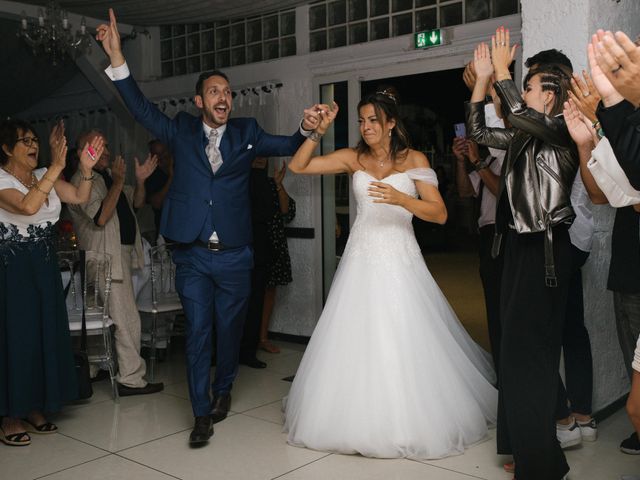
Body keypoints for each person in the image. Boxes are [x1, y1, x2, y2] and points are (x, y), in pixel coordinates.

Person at [96, 8, 318, 447]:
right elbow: (139, 106)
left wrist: (305, 128)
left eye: (228, 92)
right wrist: (118, 56)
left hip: (236, 254)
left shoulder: (248, 132)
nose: (223, 97)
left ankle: (223, 389)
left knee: (229, 332)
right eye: (214, 91)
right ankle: (201, 415)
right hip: (192, 253)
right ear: (199, 101)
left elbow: (290, 144)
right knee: (198, 332)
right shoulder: (178, 130)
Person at [284, 91, 497, 460]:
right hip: (361, 257)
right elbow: (298, 167)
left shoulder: (412, 159)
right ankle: (352, 414)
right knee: (356, 334)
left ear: (391, 124)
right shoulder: (354, 158)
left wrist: (402, 200)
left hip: (400, 256)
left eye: (373, 121)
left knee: (403, 332)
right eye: (362, 120)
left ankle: (407, 416)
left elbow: (439, 214)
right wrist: (316, 133)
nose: (366, 128)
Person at [467, 28, 578, 480]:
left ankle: (540, 467)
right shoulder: (523, 139)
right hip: (517, 250)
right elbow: (477, 131)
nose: (521, 89)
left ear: (549, 97)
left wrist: (501, 72)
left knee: (528, 359)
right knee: (513, 357)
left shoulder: (560, 131)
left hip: (546, 253)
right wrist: (480, 82)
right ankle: (541, 459)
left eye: (530, 84)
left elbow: (514, 110)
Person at [0, 119, 103, 446]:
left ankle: (34, 406)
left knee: (43, 335)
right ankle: (10, 415)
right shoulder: (1, 180)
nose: (33, 145)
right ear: (6, 148)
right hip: (12, 271)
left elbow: (79, 196)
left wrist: (85, 168)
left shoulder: (44, 174)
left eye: (34, 139)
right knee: (15, 340)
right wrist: (57, 165)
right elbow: (28, 206)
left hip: (43, 270)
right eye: (24, 141)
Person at [67, 129, 164, 398]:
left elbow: (137, 201)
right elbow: (100, 217)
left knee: (103, 317)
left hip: (112, 255)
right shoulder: (82, 180)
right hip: (103, 257)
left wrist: (140, 180)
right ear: (81, 153)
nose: (106, 151)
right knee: (127, 319)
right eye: (98, 146)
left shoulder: (106, 177)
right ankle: (132, 379)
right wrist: (119, 183)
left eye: (106, 145)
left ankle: (96, 367)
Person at [260, 160, 296, 354]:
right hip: (250, 245)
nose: (259, 160)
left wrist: (278, 184)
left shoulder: (270, 183)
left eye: (263, 156)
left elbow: (287, 212)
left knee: (269, 291)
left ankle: (263, 338)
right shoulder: (240, 181)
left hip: (273, 244)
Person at [145, 140, 173, 239]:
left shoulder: (182, 168)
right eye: (157, 154)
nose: (162, 157)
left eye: (163, 152)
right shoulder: (152, 175)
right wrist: (171, 178)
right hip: (165, 234)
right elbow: (156, 204)